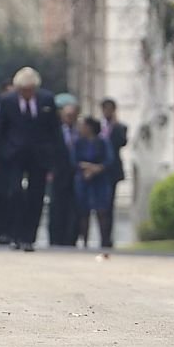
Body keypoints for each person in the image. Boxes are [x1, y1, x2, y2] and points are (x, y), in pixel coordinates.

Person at [0, 66, 59, 252]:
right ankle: (14, 233)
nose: (27, 94)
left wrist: (54, 157)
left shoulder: (46, 100)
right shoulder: (7, 101)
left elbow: (54, 130)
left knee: (36, 196)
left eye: (30, 90)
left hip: (39, 155)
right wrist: (0, 155)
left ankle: (28, 237)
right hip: (14, 155)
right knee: (14, 193)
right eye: (23, 90)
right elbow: (0, 130)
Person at [74, 116, 112, 249]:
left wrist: (97, 168)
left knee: (102, 211)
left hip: (99, 180)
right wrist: (85, 167)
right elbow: (73, 159)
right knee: (84, 213)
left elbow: (109, 160)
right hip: (84, 179)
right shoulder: (78, 142)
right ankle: (84, 241)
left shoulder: (102, 142)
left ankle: (105, 241)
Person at [48, 94, 80, 247]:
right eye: (67, 115)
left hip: (75, 173)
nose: (70, 118)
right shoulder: (56, 132)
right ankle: (55, 237)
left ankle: (71, 238)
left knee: (73, 207)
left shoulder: (79, 132)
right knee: (56, 206)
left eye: (72, 115)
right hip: (58, 172)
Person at [98, 97, 127, 246]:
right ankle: (101, 235)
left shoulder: (119, 127)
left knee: (109, 204)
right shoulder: (98, 127)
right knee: (100, 206)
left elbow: (123, 142)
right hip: (99, 170)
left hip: (112, 170)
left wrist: (115, 124)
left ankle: (107, 238)